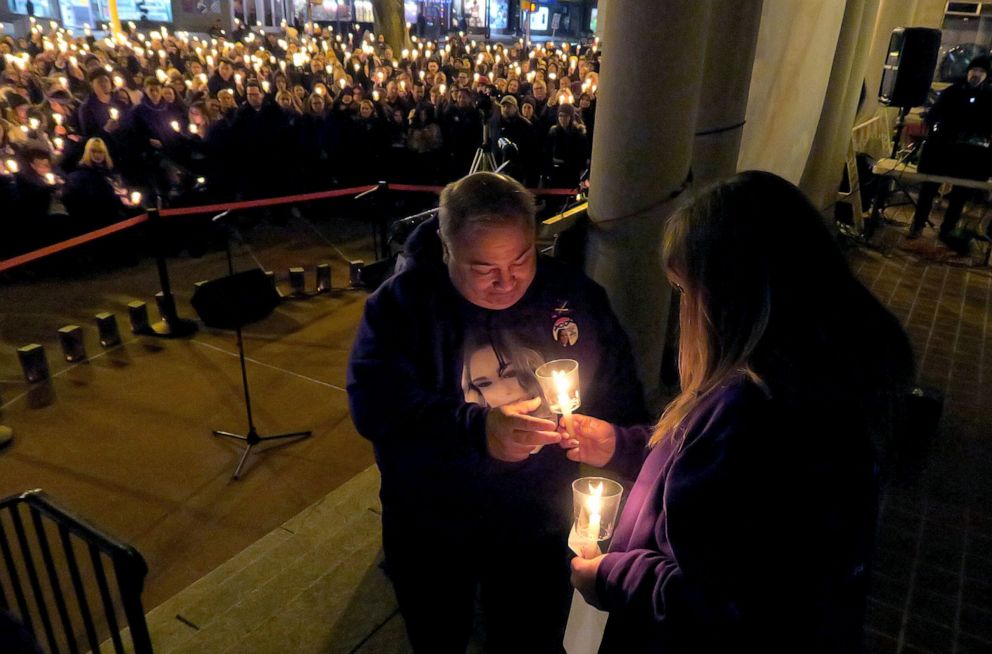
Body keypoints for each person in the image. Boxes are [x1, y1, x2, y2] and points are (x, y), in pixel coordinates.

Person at [566, 171, 915, 654]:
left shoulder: (752, 412)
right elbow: (707, 478)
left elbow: (717, 602)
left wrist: (608, 575)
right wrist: (620, 446)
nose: (681, 311)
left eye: (685, 291)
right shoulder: (818, 374)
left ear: (732, 298)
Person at [348, 172, 647, 653]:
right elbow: (375, 405)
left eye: (522, 258)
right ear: (446, 248)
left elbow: (619, 389)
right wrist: (476, 429)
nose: (506, 281)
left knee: (528, 634)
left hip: (538, 520)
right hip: (433, 522)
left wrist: (612, 438)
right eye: (482, 266)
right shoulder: (401, 307)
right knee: (438, 633)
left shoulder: (572, 296)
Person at [909, 54, 992, 253]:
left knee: (961, 192)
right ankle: (918, 224)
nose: (976, 74)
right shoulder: (953, 91)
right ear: (967, 71)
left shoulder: (989, 97)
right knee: (929, 187)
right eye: (974, 70)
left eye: (981, 71)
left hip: (970, 155)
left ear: (986, 75)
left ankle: (948, 229)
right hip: (943, 149)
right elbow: (935, 113)